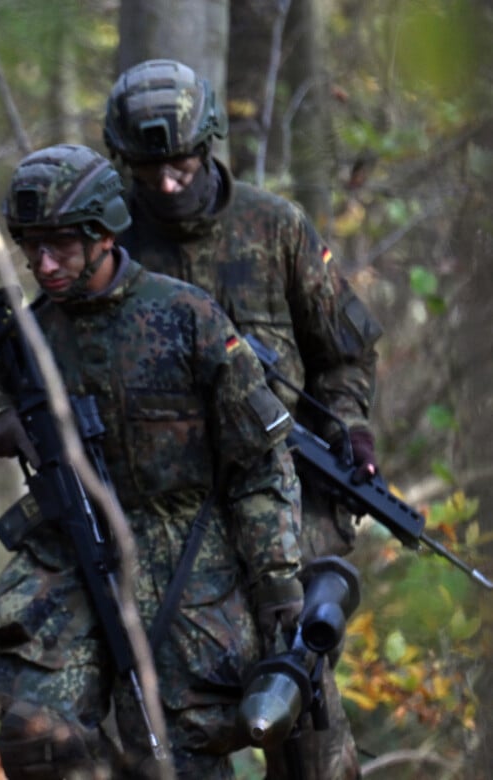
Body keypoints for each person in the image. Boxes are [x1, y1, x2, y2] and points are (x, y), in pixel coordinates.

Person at [0, 144, 304, 779]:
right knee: (36, 736)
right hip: (68, 557)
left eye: (60, 246)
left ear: (104, 234)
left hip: (188, 561)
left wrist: (276, 579)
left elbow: (260, 464)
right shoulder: (29, 332)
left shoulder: (187, 318)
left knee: (176, 753)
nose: (43, 264)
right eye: (31, 247)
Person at [103, 58, 383, 779]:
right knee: (170, 726)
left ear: (211, 146)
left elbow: (344, 353)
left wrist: (349, 427)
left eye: (182, 163)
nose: (167, 183)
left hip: (288, 507)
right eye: (147, 168)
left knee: (306, 713)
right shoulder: (112, 246)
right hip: (166, 525)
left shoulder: (277, 228)